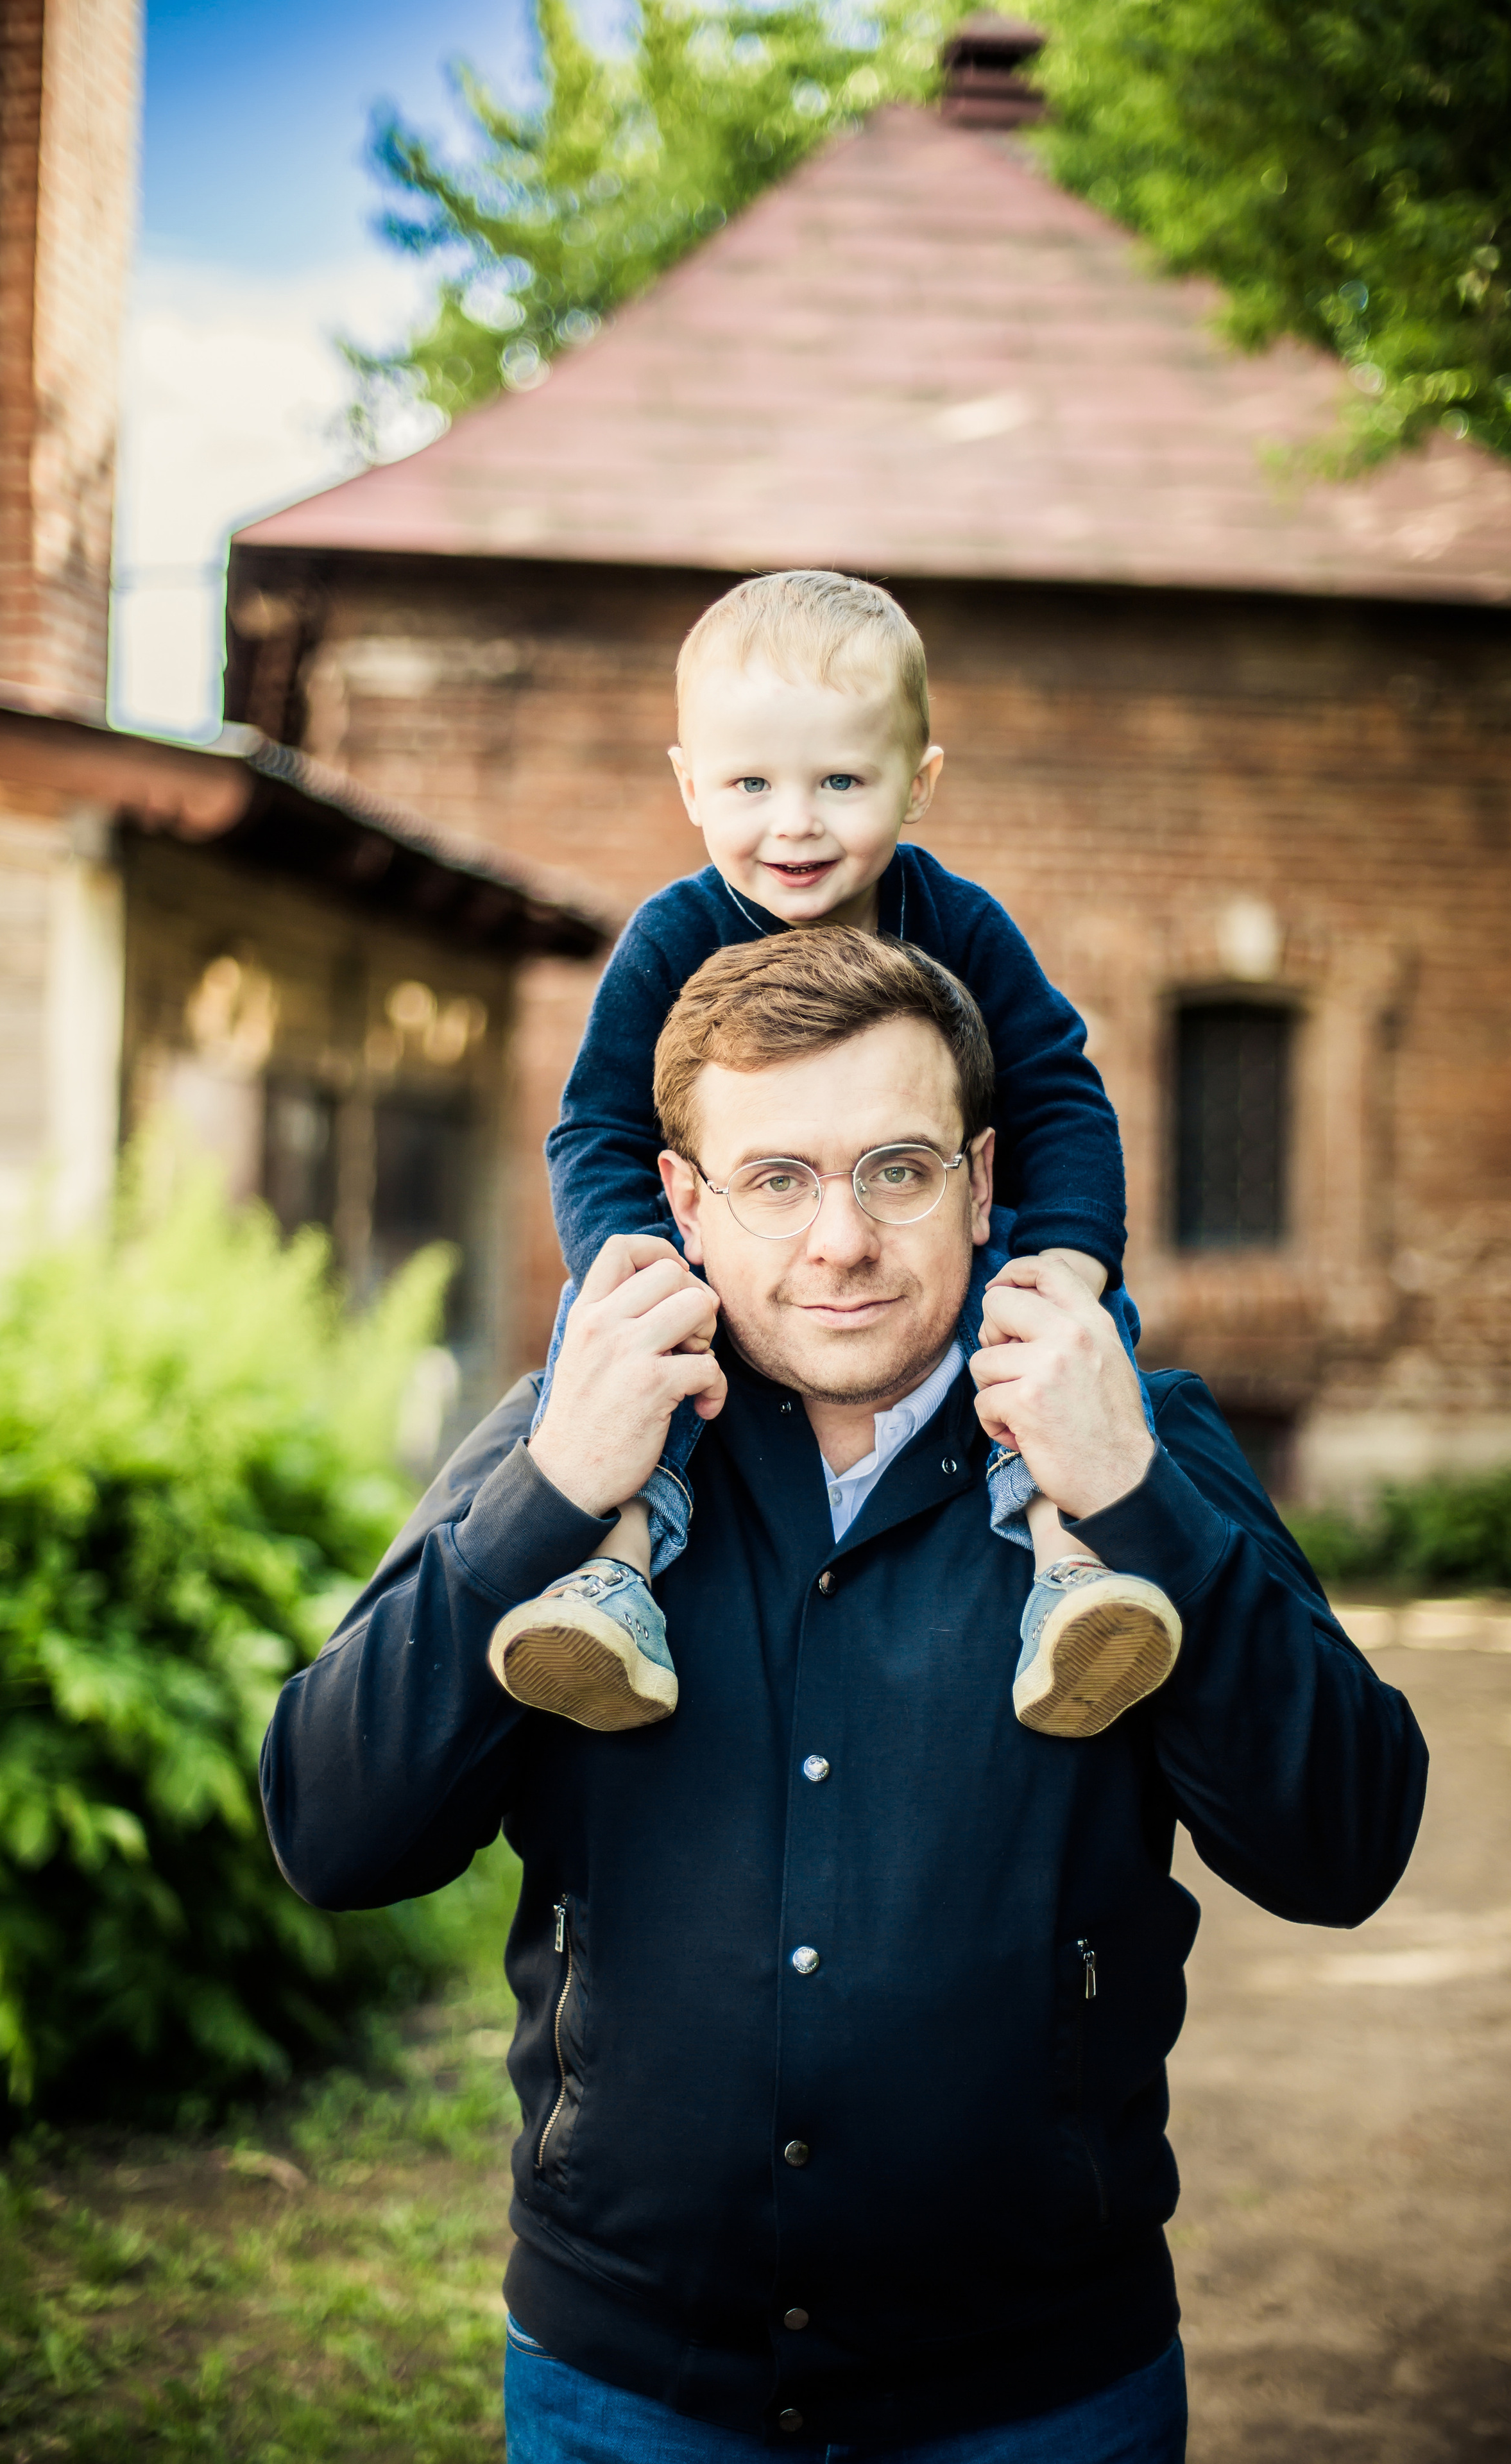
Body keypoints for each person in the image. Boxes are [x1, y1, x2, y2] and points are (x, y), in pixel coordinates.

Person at [260, 928, 1428, 2464]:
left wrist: (1135, 1501)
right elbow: (333, 1836)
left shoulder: (1129, 1444)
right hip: (628, 2391)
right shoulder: (574, 1443)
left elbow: (1343, 1850)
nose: (840, 1243)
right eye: (774, 1179)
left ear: (982, 1182)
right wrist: (544, 1500)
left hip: (1041, 2399)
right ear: (682, 1203)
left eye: (896, 1171)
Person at [490, 569, 1178, 1743]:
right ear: (690, 786)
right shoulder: (674, 937)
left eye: (842, 782)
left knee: (1058, 1330)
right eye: (751, 784)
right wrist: (638, 1256)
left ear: (920, 783)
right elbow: (596, 1127)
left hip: (949, 1247)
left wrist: (1069, 1259)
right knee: (615, 1330)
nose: (795, 823)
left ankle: (1071, 1574)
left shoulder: (961, 925)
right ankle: (613, 1577)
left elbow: (1061, 1093)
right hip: (724, 1253)